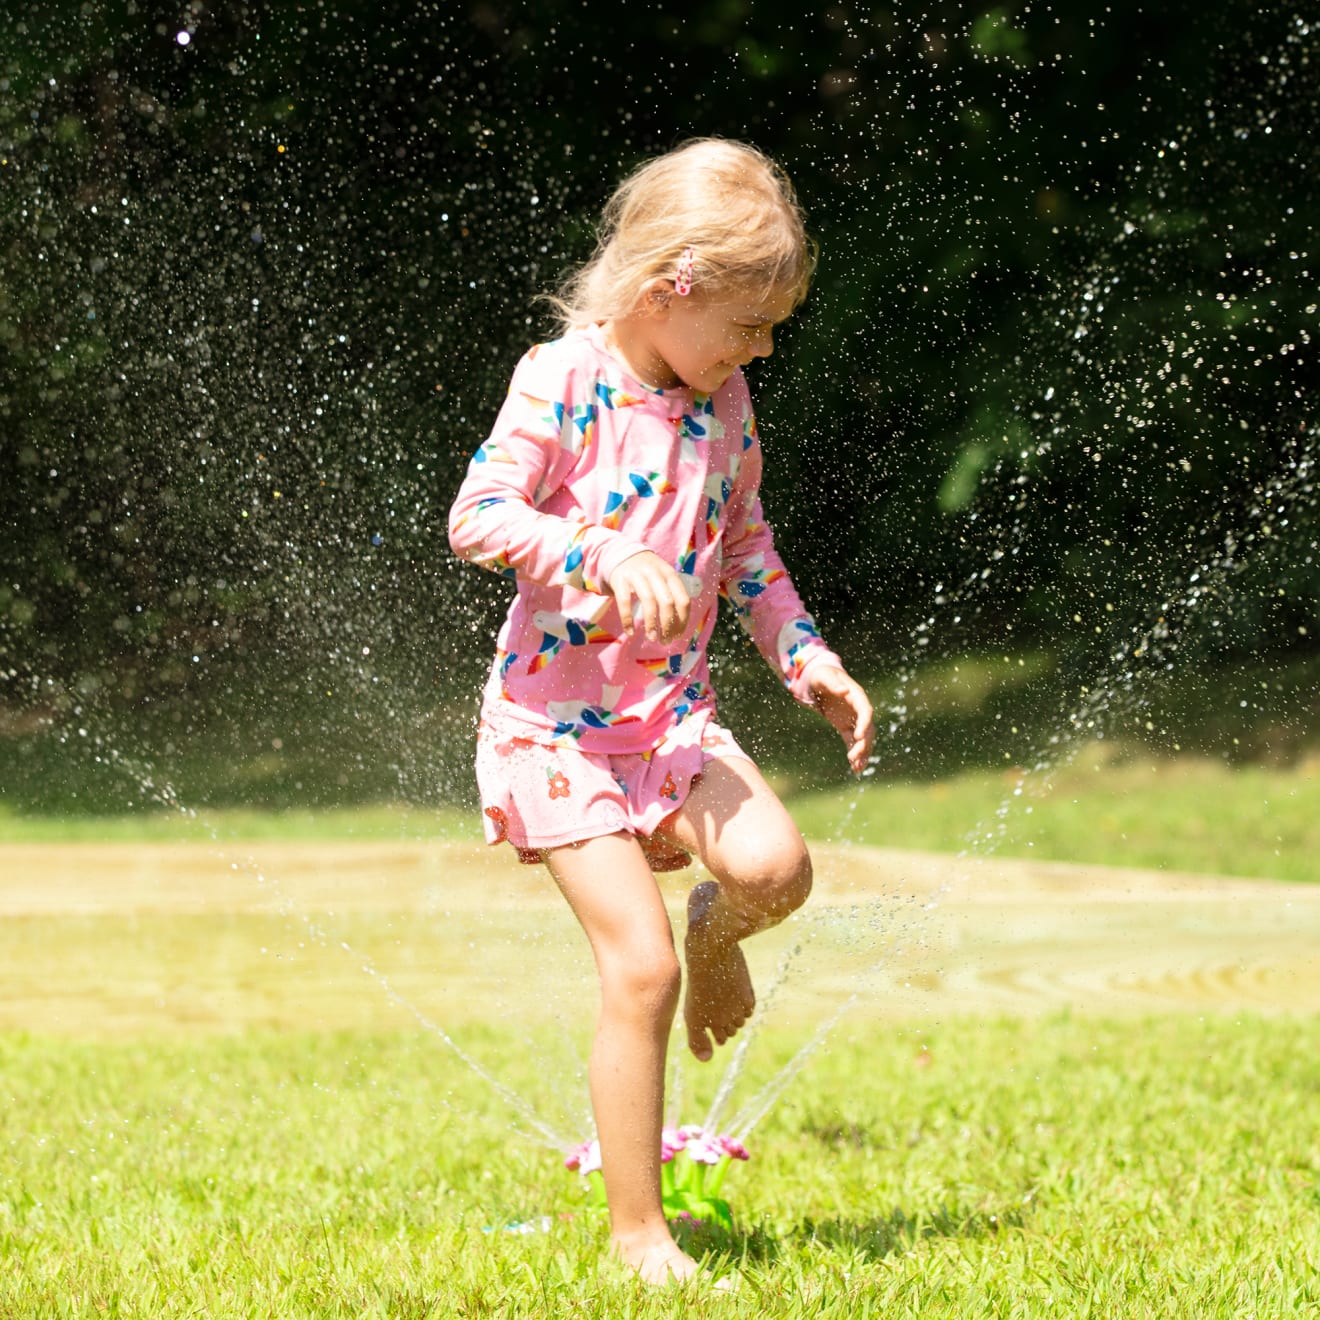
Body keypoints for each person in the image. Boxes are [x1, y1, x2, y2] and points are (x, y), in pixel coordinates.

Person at [448, 137, 874, 1286]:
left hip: (672, 718)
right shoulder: (561, 378)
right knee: (638, 974)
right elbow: (479, 516)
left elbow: (746, 552)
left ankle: (715, 929)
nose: (763, 348)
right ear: (666, 287)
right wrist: (597, 548)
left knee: (779, 872)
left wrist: (808, 658)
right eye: (749, 322)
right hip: (557, 732)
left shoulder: (722, 401)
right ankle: (639, 1235)